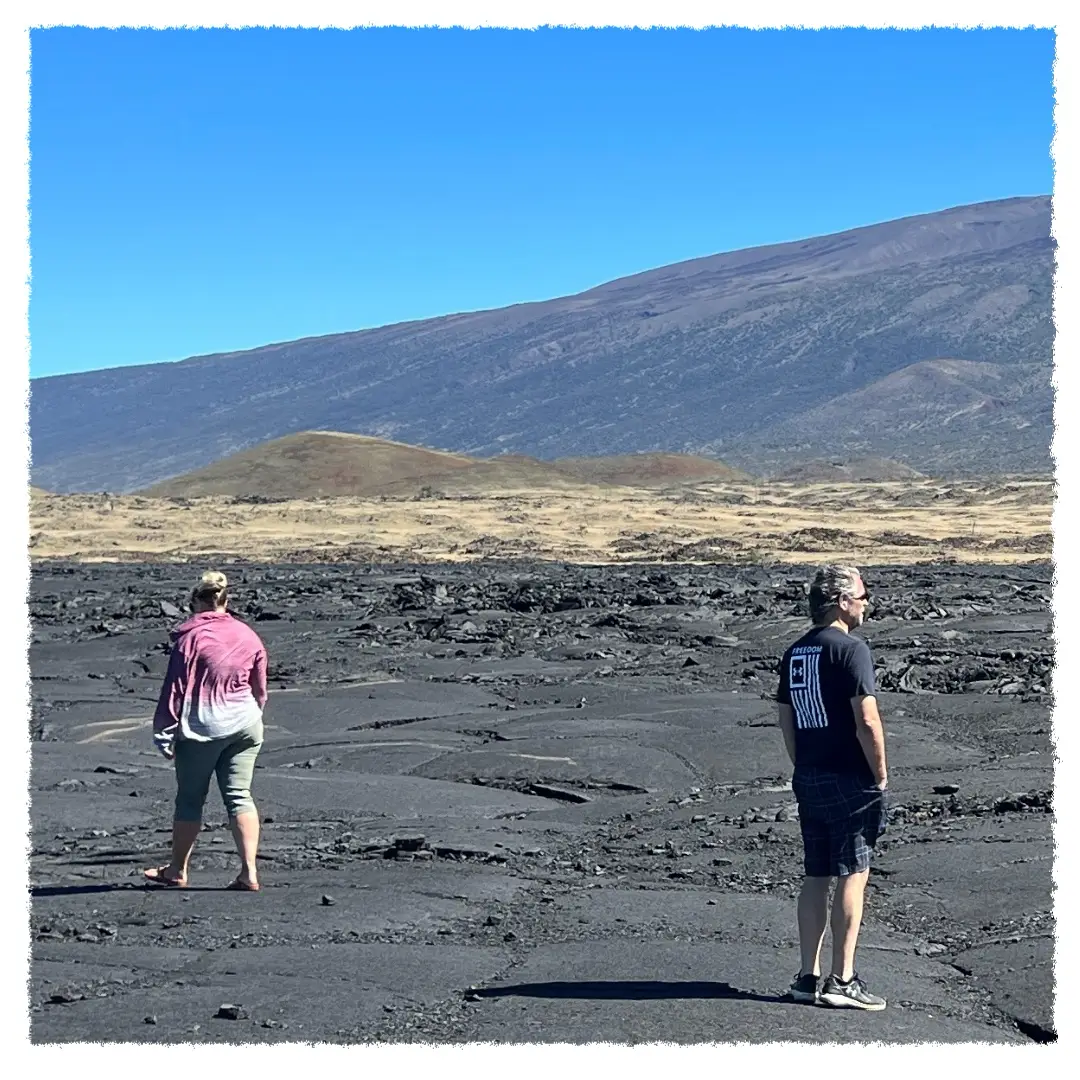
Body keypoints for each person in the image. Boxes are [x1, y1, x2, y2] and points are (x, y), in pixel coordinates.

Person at [776, 564, 888, 1011]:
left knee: (815, 873)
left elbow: (786, 717)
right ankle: (842, 979)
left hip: (810, 773)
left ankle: (808, 975)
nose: (866, 603)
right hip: (850, 777)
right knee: (852, 873)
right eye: (862, 595)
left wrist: (802, 763)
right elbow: (867, 719)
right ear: (842, 600)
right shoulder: (851, 650)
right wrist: (879, 773)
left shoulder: (795, 652)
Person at [143, 571, 268, 891]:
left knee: (189, 800)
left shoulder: (189, 640)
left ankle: (177, 870)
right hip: (245, 724)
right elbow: (260, 688)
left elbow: (174, 690)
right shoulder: (248, 635)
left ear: (195, 603)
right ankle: (249, 872)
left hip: (202, 728)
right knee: (240, 795)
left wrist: (163, 732)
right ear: (225, 602)